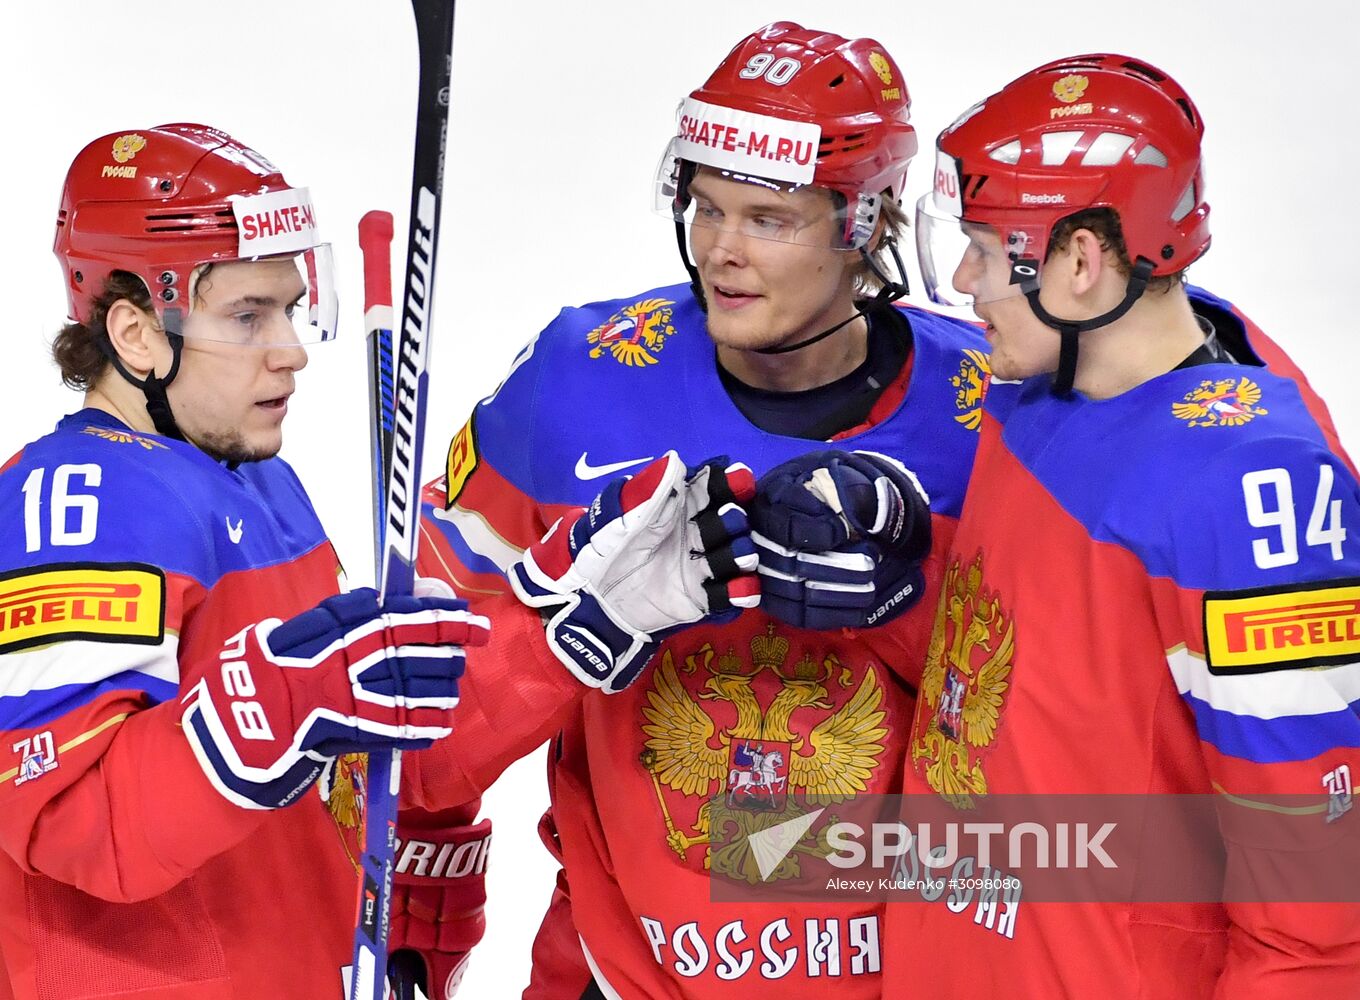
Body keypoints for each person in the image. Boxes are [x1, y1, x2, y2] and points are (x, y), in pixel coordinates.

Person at [403, 22, 991, 998]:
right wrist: (417, 909)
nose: (721, 250)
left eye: (768, 219)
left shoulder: (984, 401)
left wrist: (918, 590)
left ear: (864, 221)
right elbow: (422, 673)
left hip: (906, 965)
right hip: (615, 963)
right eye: (705, 207)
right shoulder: (578, 380)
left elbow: (1066, 710)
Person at [866, 54, 1360, 995]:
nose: (964, 280)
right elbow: (1035, 677)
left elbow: (1320, 906)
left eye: (985, 246)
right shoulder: (1044, 388)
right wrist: (895, 581)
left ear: (1083, 262)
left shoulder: (1256, 488)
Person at [0, 123, 490, 999]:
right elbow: (67, 817)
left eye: (293, 308)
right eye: (248, 315)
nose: (292, 348)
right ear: (138, 334)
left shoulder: (262, 481)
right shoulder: (75, 503)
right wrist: (282, 704)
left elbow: (322, 768)